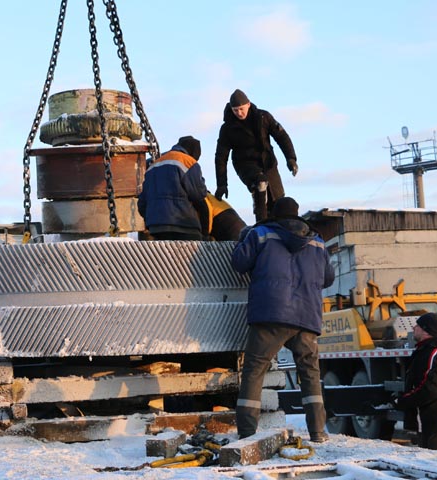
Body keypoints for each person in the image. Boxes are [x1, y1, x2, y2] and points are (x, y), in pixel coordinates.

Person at [231, 196, 335, 442]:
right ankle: (318, 432)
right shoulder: (318, 242)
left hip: (271, 315)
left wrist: (244, 237)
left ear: (276, 215)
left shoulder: (261, 234)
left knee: (255, 370)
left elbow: (239, 262)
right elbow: (328, 278)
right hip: (307, 316)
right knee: (310, 373)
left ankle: (247, 433)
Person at [214, 89, 298, 222]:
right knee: (260, 183)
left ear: (248, 104)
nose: (239, 113)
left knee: (279, 201)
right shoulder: (228, 128)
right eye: (235, 110)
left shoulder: (263, 117)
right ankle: (261, 224)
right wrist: (222, 184)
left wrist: (291, 158)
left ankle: (282, 228)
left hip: (268, 163)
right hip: (245, 165)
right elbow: (221, 157)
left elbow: (281, 137)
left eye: (241, 109)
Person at [394, 312, 437, 449]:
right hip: (433, 424)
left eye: (417, 325)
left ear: (427, 330)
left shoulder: (434, 354)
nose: (413, 328)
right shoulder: (429, 351)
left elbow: (428, 390)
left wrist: (402, 401)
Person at [138, 136, 208, 240]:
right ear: (194, 153)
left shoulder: (154, 165)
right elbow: (199, 195)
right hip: (183, 224)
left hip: (156, 228)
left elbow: (142, 204)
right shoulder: (188, 162)